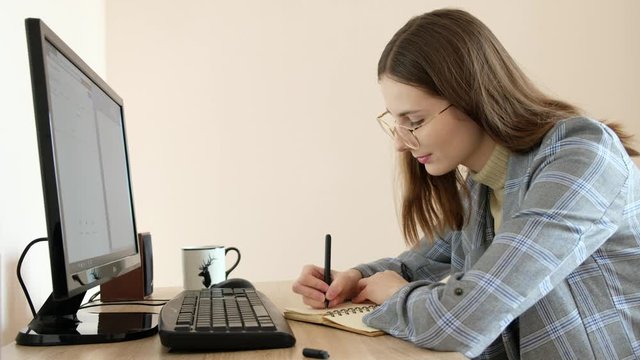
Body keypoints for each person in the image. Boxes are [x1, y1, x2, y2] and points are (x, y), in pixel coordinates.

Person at [292, 8, 640, 359]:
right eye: (395, 122)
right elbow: (414, 264)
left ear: (471, 96)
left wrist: (396, 296)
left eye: (414, 120)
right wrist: (353, 278)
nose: (400, 142)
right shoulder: (482, 186)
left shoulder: (581, 157)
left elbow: (465, 320)